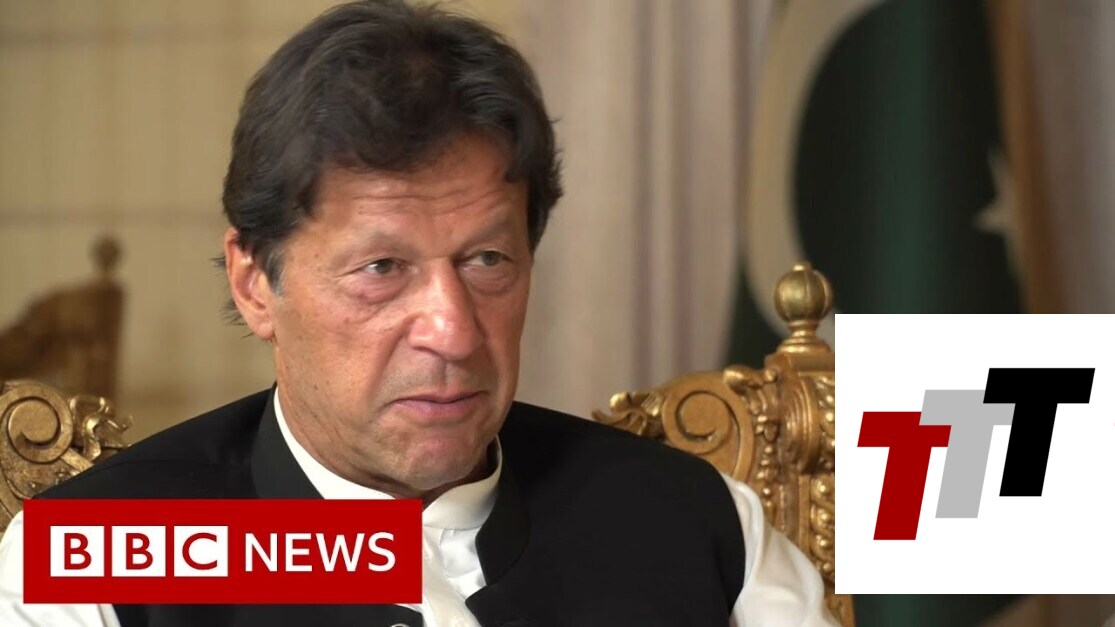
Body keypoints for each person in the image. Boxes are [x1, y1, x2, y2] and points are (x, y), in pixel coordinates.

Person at [0, 1, 840, 625]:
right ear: (255, 282)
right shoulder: (94, 557)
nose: (453, 330)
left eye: (486, 261)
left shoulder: (699, 526)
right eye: (382, 269)